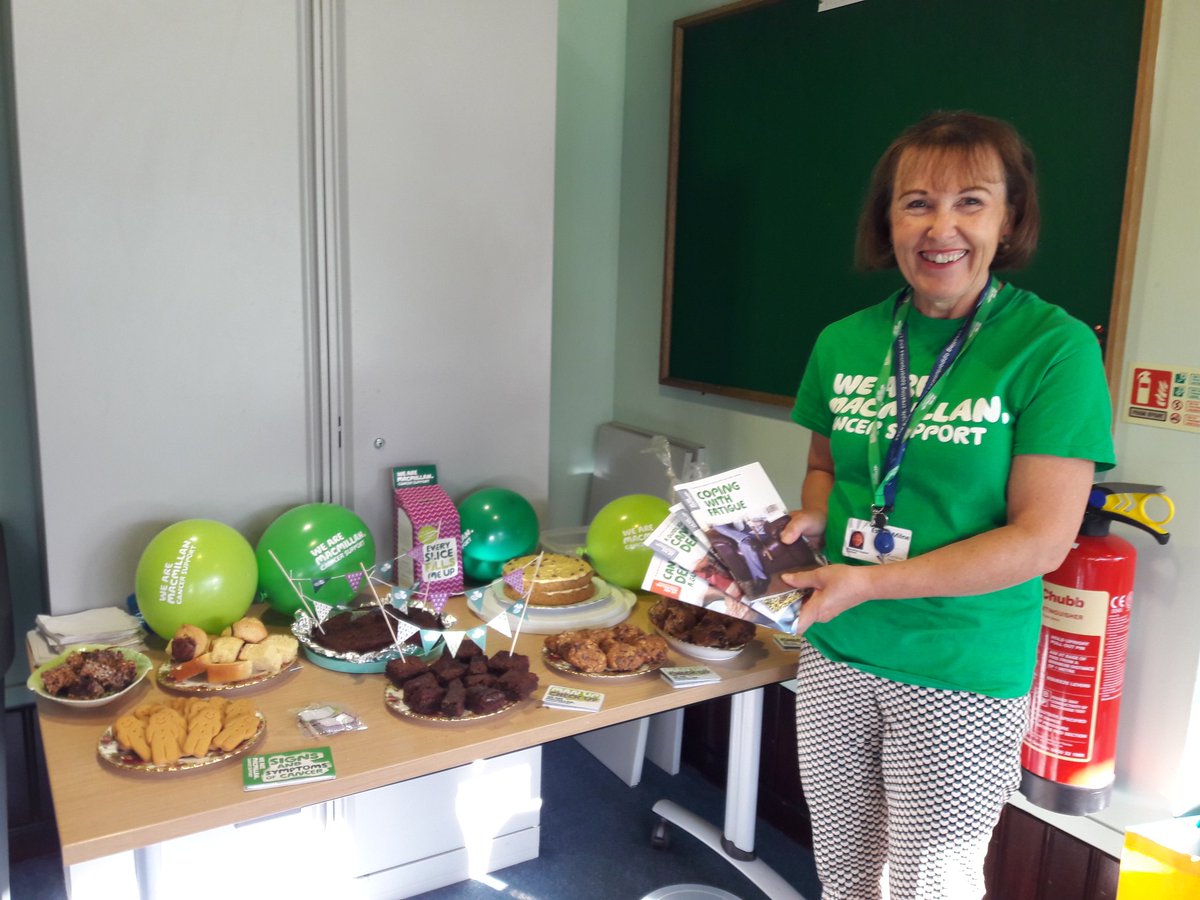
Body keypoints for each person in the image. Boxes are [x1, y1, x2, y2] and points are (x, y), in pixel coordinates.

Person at [778, 111, 1115, 900]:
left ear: (1009, 219)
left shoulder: (1054, 348)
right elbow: (825, 463)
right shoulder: (844, 341)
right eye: (916, 202)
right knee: (847, 873)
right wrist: (817, 516)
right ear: (887, 220)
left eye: (971, 200)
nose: (941, 226)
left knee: (932, 884)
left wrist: (868, 581)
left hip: (958, 665)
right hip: (838, 646)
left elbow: (1041, 540)